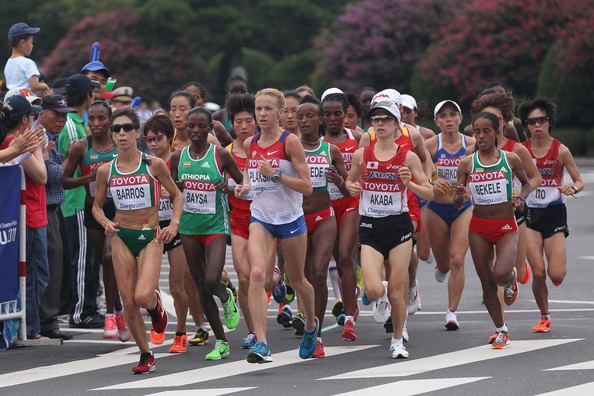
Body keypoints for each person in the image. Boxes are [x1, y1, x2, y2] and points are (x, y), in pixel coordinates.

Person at [92, 108, 182, 374]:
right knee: (128, 300)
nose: (121, 134)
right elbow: (96, 207)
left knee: (142, 295)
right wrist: (105, 222)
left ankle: (156, 307)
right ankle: (146, 354)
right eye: (116, 129)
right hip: (122, 236)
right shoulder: (106, 171)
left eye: (126, 128)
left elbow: (177, 196)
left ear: (136, 132)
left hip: (149, 236)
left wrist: (174, 224)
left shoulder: (153, 164)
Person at [235, 88, 317, 363]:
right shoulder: (251, 144)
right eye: (258, 109)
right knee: (257, 275)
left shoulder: (290, 142)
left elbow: (307, 187)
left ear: (280, 113)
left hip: (291, 219)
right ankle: (262, 342)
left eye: (268, 109)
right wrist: (243, 187)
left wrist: (277, 174)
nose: (262, 114)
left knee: (298, 280)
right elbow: (250, 178)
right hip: (261, 218)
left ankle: (310, 328)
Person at [346, 100, 433, 359]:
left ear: (397, 124)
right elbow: (350, 180)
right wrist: (351, 187)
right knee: (373, 290)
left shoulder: (407, 157)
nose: (380, 124)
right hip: (371, 226)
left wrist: (411, 184)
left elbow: (429, 191)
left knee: (397, 290)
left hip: (399, 225)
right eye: (375, 120)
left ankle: (397, 340)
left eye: (385, 119)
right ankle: (387, 295)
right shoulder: (362, 155)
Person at [170, 107, 243, 361]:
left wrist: (230, 186)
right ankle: (221, 341)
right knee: (201, 286)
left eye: (201, 126)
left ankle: (227, 296)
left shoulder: (220, 154)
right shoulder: (178, 158)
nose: (196, 131)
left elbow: (243, 183)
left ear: (210, 128)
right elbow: (170, 189)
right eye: (191, 126)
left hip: (215, 226)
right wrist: (175, 188)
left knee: (212, 279)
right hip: (189, 228)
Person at [454, 112, 531, 349]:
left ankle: (511, 280)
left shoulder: (510, 159)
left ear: (497, 132)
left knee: (500, 274)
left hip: (506, 225)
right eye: (477, 131)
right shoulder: (467, 163)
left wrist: (521, 197)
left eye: (486, 130)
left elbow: (527, 183)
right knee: (486, 281)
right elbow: (457, 201)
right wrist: (459, 196)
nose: (481, 136)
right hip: (478, 227)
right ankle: (501, 330)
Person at [62, 100, 128, 341]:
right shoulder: (81, 147)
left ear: (110, 120)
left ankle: (111, 315)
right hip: (94, 212)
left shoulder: (119, 145)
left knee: (111, 258)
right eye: (92, 119)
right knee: (105, 261)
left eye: (102, 118)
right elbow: (64, 179)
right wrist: (87, 178)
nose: (97, 123)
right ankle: (119, 310)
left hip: (118, 210)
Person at [518, 98, 584, 333]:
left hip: (555, 213)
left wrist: (572, 189)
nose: (537, 126)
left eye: (541, 120)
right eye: (532, 122)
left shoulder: (561, 150)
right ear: (526, 125)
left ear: (549, 122)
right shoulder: (521, 150)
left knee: (556, 274)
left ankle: (553, 278)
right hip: (529, 214)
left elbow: (579, 180)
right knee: (538, 271)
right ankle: (544, 315)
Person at [470, 92, 542, 287]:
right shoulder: (474, 150)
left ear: (504, 122)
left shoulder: (516, 149)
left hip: (513, 214)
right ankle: (498, 307)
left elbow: (535, 178)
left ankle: (514, 275)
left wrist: (522, 195)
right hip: (484, 217)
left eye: (496, 119)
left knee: (513, 273)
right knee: (494, 274)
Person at [298, 95, 349, 355]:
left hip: (323, 215)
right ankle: (308, 324)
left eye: (309, 116)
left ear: (319, 119)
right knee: (303, 277)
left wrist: (338, 179)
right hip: (296, 218)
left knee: (318, 273)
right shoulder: (291, 148)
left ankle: (315, 336)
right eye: (300, 117)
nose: (304, 121)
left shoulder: (331, 150)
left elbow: (349, 188)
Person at [0, 95, 47, 339]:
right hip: (27, 215)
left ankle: (27, 327)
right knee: (33, 275)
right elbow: (42, 175)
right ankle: (27, 328)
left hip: (33, 214)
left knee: (35, 274)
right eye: (32, 116)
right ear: (24, 120)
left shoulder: (16, 142)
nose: (35, 120)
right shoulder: (14, 142)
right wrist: (37, 147)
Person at [59, 74, 104, 329]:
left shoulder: (75, 122)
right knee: (83, 257)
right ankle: (81, 312)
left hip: (78, 199)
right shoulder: (74, 126)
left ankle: (86, 307)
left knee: (86, 256)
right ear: (88, 96)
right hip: (77, 200)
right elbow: (72, 163)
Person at [425, 100, 474, 330]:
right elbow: (420, 172)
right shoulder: (431, 146)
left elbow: (486, 167)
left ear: (460, 118)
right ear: (437, 121)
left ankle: (452, 312)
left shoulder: (472, 144)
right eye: (443, 116)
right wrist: (434, 180)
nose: (448, 120)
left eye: (453, 114)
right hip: (437, 207)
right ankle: (440, 267)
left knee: (457, 259)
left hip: (463, 207)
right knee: (444, 263)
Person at [320, 88, 362, 340]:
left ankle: (348, 319)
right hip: (325, 206)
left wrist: (342, 180)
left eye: (339, 113)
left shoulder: (356, 138)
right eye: (328, 114)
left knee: (346, 256)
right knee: (332, 259)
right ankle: (351, 292)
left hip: (349, 202)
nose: (334, 119)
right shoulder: (315, 142)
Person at [225, 94, 259, 349]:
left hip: (264, 218)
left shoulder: (263, 148)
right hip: (237, 219)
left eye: (249, 121)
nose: (244, 126)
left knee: (264, 277)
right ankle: (254, 330)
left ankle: (279, 280)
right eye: (239, 122)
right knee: (244, 276)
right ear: (232, 124)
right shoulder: (225, 153)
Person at [38, 95, 73, 340]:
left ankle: (49, 318)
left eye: (64, 114)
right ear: (42, 113)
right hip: (43, 208)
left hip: (53, 208)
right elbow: (53, 174)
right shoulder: (40, 136)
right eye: (56, 113)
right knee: (50, 262)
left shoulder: (53, 137)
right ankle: (46, 321)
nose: (61, 119)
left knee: (56, 261)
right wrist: (74, 156)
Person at [4, 23, 49, 93]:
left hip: (11, 100)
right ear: (22, 43)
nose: (32, 46)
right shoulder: (27, 63)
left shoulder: (8, 63)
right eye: (31, 42)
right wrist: (45, 86)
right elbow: (35, 85)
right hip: (26, 100)